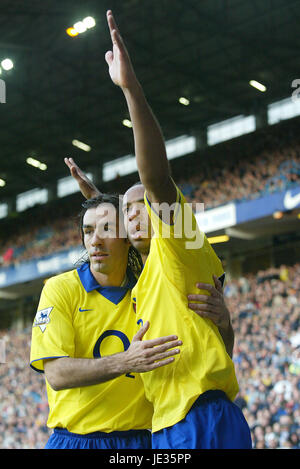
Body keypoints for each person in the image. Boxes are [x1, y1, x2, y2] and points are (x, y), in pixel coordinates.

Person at [64, 10, 251, 449]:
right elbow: (219, 337)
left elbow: (156, 178)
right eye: (124, 212)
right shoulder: (140, 279)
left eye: (139, 206)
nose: (132, 213)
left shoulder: (179, 241)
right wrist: (96, 199)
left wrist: (131, 90)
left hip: (203, 418)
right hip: (164, 429)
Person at [30, 194, 182, 449]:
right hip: (75, 441)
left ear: (127, 237)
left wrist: (223, 323)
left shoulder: (149, 290)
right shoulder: (61, 289)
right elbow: (55, 373)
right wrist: (126, 360)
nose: (95, 240)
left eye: (107, 229)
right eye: (88, 231)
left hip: (141, 441)